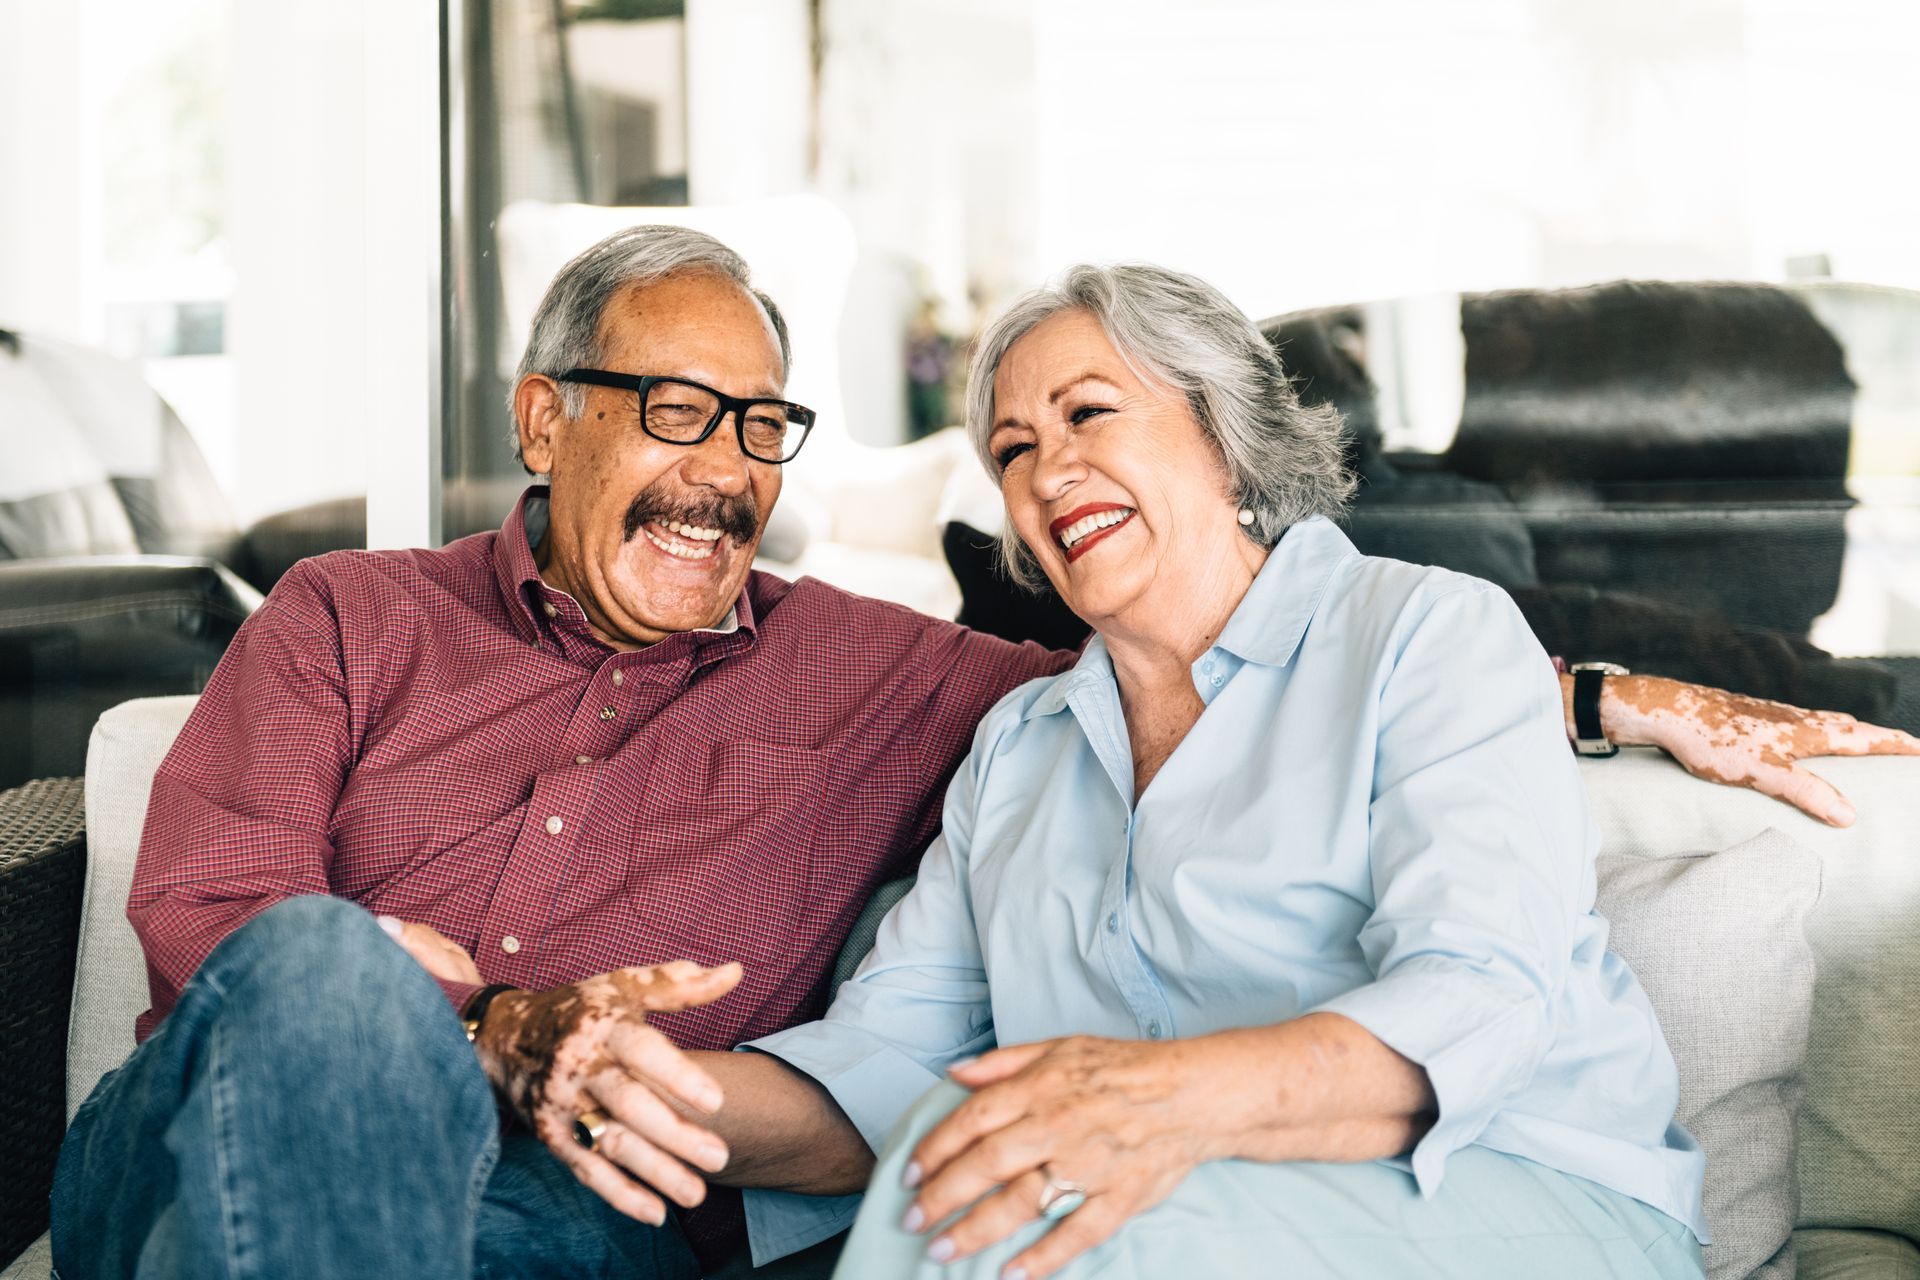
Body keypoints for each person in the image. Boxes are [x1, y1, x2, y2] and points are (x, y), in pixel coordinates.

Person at [48, 228, 1915, 1280]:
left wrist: (1611, 690)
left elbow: (1470, 959)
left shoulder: (1363, 647)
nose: (725, 470)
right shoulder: (352, 621)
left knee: (972, 1176)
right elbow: (225, 925)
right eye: (1013, 451)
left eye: (760, 427)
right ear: (544, 421)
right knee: (324, 972)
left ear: (1225, 435)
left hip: (1465, 1187)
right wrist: (556, 1052)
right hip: (253, 1125)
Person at [687, 264, 1917, 1280]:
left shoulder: (1426, 636)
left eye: (1089, 413)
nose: (1047, 468)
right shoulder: (1019, 750)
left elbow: (1478, 995)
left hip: (1523, 1194)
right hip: (1173, 1209)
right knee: (962, 1182)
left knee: (1022, 1220)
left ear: (1222, 432)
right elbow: (884, 1066)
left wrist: (1157, 1102)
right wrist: (647, 1094)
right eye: (1012, 448)